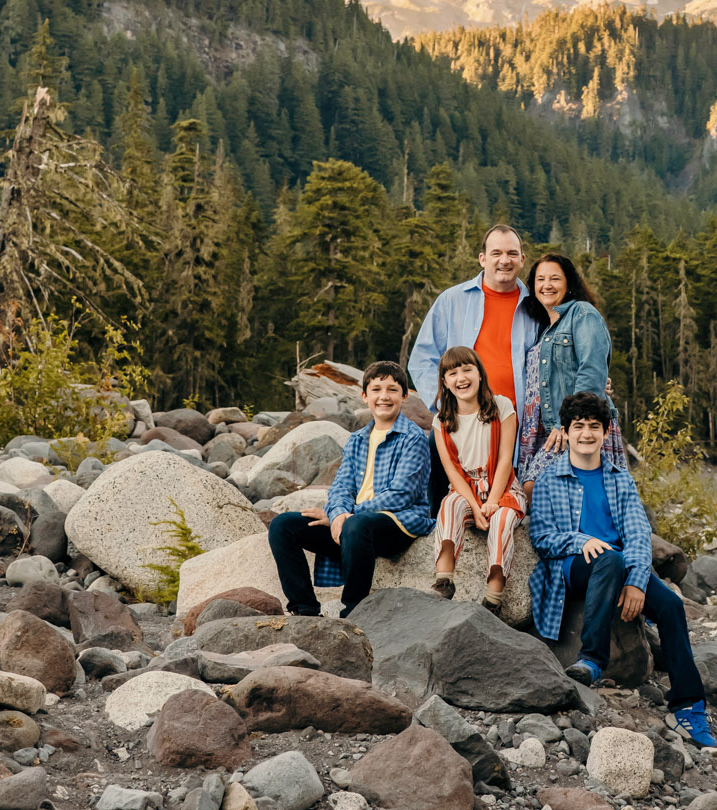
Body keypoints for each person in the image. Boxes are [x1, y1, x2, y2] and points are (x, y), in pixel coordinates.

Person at [527, 390, 717, 748]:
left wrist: (636, 583)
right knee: (608, 558)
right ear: (565, 432)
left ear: (606, 432)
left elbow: (637, 535)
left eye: (594, 427)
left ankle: (688, 708)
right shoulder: (551, 480)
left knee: (673, 606)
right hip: (574, 569)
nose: (586, 433)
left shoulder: (619, 478)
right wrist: (581, 541)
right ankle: (593, 660)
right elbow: (542, 537)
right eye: (578, 426)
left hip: (620, 566)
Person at [267, 361, 432, 618]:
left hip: (396, 525)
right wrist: (337, 512)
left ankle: (354, 611)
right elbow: (341, 487)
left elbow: (403, 494)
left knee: (357, 525)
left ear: (404, 395)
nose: (384, 397)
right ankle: (305, 609)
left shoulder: (414, 438)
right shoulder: (357, 440)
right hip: (354, 529)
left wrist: (347, 515)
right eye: (376, 389)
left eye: (392, 389)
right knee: (283, 525)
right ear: (365, 396)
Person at [408, 223, 545, 410]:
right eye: (496, 253)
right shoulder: (451, 300)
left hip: (520, 428)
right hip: (463, 425)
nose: (504, 260)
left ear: (522, 259)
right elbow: (422, 359)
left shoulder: (536, 306)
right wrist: (446, 406)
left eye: (512, 254)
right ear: (482, 259)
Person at [429, 345, 524, 612]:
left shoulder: (501, 406)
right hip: (466, 489)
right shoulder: (442, 421)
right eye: (452, 373)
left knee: (502, 520)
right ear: (445, 383)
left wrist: (493, 502)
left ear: (480, 374)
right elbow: (452, 472)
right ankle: (444, 580)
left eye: (467, 369)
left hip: (502, 489)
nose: (461, 378)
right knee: (449, 506)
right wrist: (473, 505)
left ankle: (494, 595)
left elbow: (506, 458)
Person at [516, 251, 623, 485]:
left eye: (555, 278)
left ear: (568, 283)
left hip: (574, 425)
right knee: (541, 494)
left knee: (537, 487)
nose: (547, 285)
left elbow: (592, 370)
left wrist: (571, 423)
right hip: (544, 429)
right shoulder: (543, 328)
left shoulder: (582, 313)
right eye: (540, 279)